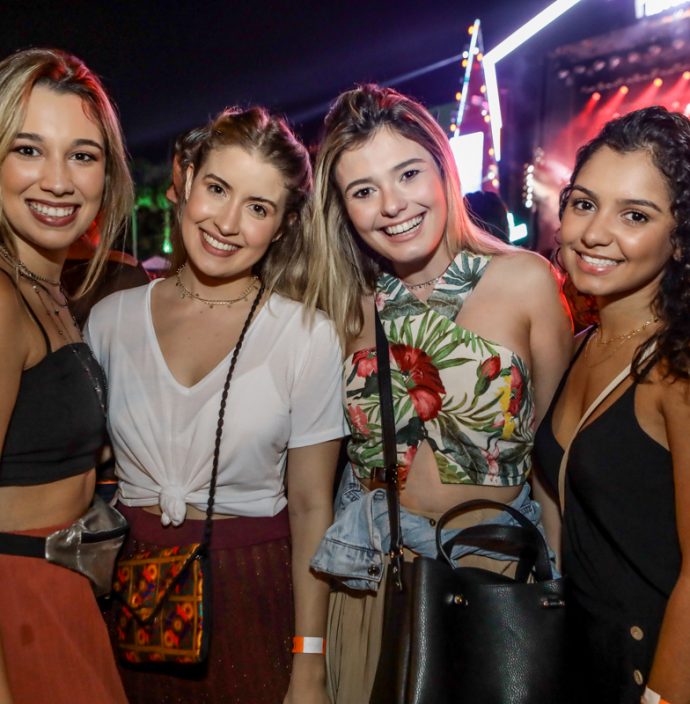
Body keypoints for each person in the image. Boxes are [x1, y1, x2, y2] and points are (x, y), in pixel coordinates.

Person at [307, 84, 573, 704]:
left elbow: (557, 465)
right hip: (372, 576)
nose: (391, 205)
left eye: (407, 174)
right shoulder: (347, 306)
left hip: (494, 575)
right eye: (363, 190)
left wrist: (558, 597)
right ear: (343, 208)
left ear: (444, 169)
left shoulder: (525, 280)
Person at [85, 106, 345, 704]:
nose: (227, 223)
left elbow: (310, 507)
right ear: (185, 180)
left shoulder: (305, 335)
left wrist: (308, 665)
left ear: (281, 227)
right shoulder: (110, 320)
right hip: (129, 590)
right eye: (217, 189)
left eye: (258, 208)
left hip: (253, 587)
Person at [533, 106, 690, 704]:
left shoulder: (676, 368)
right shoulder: (580, 345)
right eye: (583, 203)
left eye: (635, 215)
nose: (595, 233)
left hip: (655, 673)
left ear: (680, 239)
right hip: (584, 662)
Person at [0, 48, 132, 703]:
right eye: (29, 149)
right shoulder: (1, 299)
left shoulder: (50, 291)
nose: (58, 181)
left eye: (82, 155)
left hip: (61, 592)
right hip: (19, 609)